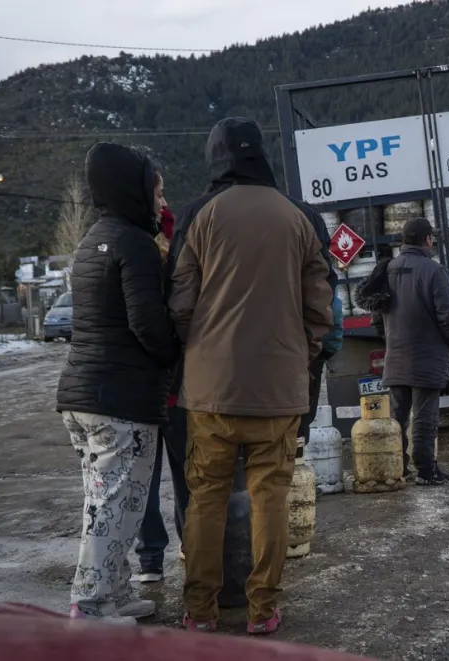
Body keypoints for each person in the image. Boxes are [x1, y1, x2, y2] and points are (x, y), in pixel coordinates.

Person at [169, 117, 333, 634]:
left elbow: (180, 303)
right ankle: (263, 610)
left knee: (205, 500)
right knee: (270, 499)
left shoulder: (197, 215)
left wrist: (201, 350)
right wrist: (299, 355)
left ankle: (201, 610)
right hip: (279, 390)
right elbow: (321, 308)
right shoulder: (300, 216)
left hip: (210, 391)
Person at [56, 143, 179, 623]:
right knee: (115, 505)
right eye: (158, 191)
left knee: (108, 500)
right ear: (136, 189)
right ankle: (89, 606)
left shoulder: (93, 239)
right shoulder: (134, 242)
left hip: (83, 395)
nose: (162, 202)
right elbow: (147, 323)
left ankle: (116, 591)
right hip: (120, 399)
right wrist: (176, 352)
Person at [381, 217, 449, 485]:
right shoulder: (434, 271)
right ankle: (426, 470)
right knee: (425, 417)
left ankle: (398, 469)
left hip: (395, 356)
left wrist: (391, 339)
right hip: (426, 356)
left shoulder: (388, 268)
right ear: (427, 239)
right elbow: (448, 314)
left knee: (397, 419)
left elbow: (375, 313)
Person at [134, 205, 188, 584]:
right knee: (187, 478)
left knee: (145, 481)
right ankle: (191, 545)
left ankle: (151, 559)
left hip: (147, 394)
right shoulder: (182, 273)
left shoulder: (133, 274)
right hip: (178, 393)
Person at [298, 292, 344, 442]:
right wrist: (321, 354)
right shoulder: (317, 284)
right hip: (308, 357)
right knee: (301, 421)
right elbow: (332, 313)